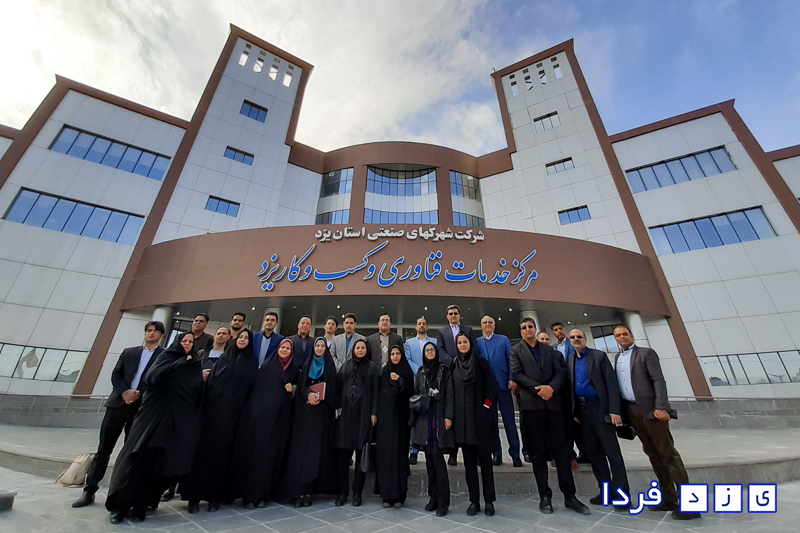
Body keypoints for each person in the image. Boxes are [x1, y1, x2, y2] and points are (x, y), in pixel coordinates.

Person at [105, 333, 205, 524]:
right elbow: (153, 378)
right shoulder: (165, 357)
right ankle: (120, 506)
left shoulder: (193, 364)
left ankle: (141, 507)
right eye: (184, 341)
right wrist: (178, 364)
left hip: (173, 420)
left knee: (156, 465)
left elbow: (194, 389)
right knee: (135, 459)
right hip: (151, 415)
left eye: (190, 342)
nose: (187, 344)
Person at [72, 321, 165, 508]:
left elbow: (160, 381)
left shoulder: (163, 356)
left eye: (155, 331)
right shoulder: (129, 352)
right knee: (104, 449)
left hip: (141, 409)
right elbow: (116, 375)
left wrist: (138, 394)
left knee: (130, 453)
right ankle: (89, 490)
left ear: (161, 335)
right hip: (117, 405)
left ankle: (121, 494)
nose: (151, 333)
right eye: (148, 330)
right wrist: (125, 392)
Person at [612, 326, 700, 521]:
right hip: (633, 412)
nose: (622, 337)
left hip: (652, 411)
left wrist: (661, 407)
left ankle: (689, 504)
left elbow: (658, 380)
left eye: (625, 334)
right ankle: (669, 498)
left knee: (668, 454)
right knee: (653, 454)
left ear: (631, 336)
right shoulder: (618, 358)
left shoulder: (646, 353)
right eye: (618, 335)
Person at [510, 317, 589, 516]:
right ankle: (545, 496)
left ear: (535, 328)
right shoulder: (516, 351)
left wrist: (551, 388)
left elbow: (561, 372)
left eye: (530, 326)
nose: (527, 329)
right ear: (521, 331)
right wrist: (539, 389)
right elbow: (517, 374)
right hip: (532, 407)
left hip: (554, 407)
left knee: (562, 451)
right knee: (537, 453)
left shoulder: (551, 351)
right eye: (524, 327)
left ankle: (570, 496)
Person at [183, 330, 258, 513]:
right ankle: (194, 498)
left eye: (246, 338)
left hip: (234, 418)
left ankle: (215, 498)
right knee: (202, 455)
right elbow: (211, 383)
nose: (242, 340)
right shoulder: (225, 357)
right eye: (240, 337)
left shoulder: (251, 361)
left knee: (222, 458)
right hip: (212, 415)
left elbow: (250, 389)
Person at [230, 337, 300, 508]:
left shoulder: (294, 368)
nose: (284, 350)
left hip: (280, 421)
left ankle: (264, 494)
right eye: (282, 347)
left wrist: (294, 389)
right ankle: (250, 495)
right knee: (256, 456)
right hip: (261, 420)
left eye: (288, 349)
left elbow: (298, 391)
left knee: (272, 458)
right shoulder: (268, 367)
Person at [567, 329, 630, 510]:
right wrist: (575, 411)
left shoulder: (598, 356)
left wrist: (614, 411)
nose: (576, 339)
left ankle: (622, 495)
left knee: (612, 453)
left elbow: (611, 383)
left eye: (579, 337)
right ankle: (605, 491)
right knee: (595, 454)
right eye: (573, 337)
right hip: (582, 411)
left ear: (585, 339)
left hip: (600, 408)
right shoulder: (570, 359)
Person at [283, 337, 338, 507]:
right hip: (304, 415)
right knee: (301, 451)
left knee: (314, 453)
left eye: (322, 346)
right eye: (317, 346)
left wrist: (322, 398)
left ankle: (309, 491)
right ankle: (298, 491)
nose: (320, 348)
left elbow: (333, 390)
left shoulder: (329, 366)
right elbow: (301, 386)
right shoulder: (307, 365)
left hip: (321, 416)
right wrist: (309, 394)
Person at [450, 332, 497, 517]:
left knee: (485, 463)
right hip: (463, 423)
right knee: (469, 464)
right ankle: (474, 501)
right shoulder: (454, 364)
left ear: (470, 344)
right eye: (459, 342)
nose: (462, 345)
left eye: (465, 342)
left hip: (480, 419)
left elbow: (491, 385)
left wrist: (487, 406)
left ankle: (489, 501)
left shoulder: (481, 362)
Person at [334, 338, 379, 507]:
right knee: (342, 458)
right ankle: (342, 492)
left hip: (363, 416)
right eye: (357, 347)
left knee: (361, 455)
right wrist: (336, 409)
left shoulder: (372, 367)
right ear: (353, 349)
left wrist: (374, 412)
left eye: (363, 347)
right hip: (345, 417)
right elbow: (338, 389)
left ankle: (357, 493)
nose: (360, 350)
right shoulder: (345, 366)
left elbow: (375, 391)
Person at [412, 342, 454, 517]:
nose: (429, 352)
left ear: (436, 352)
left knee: (438, 461)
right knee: (429, 461)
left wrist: (448, 416)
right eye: (427, 350)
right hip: (425, 419)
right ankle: (433, 497)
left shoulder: (444, 370)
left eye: (431, 349)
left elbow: (450, 394)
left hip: (438, 417)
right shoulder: (421, 371)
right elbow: (416, 392)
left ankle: (444, 501)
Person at [475, 315, 522, 468]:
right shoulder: (477, 342)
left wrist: (511, 379)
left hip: (503, 385)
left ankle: (515, 455)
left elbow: (510, 360)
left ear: (494, 325)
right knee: (491, 423)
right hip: (487, 389)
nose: (487, 324)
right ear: (481, 326)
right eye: (485, 323)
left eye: (490, 322)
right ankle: (497, 454)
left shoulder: (503, 339)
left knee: (509, 422)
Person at [436, 304, 478, 466]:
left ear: (460, 315)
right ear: (447, 316)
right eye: (450, 313)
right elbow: (440, 350)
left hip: (468, 372)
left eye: (455, 313)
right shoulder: (442, 332)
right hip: (450, 372)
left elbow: (474, 348)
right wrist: (454, 362)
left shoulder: (468, 330)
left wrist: (464, 363)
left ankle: (472, 451)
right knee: (452, 412)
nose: (453, 315)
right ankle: (452, 453)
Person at [376, 345, 414, 507]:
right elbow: (380, 394)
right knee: (386, 456)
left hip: (401, 421)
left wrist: (400, 381)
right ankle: (386, 495)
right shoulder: (384, 372)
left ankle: (399, 496)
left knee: (399, 456)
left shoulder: (406, 371)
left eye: (398, 353)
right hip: (385, 422)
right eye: (392, 354)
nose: (395, 356)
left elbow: (410, 391)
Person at [550, 321, 583, 467]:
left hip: (573, 385)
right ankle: (562, 454)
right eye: (556, 330)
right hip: (559, 389)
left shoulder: (572, 344)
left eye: (560, 329)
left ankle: (581, 452)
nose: (559, 331)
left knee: (576, 423)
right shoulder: (553, 349)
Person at [404, 316, 431, 465]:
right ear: (416, 327)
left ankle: (429, 448)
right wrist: (421, 372)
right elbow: (407, 360)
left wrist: (428, 373)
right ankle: (413, 451)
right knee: (414, 418)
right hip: (415, 383)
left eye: (424, 323)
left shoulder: (434, 342)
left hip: (430, 385)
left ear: (427, 327)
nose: (421, 325)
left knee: (430, 418)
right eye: (419, 323)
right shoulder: (409, 343)